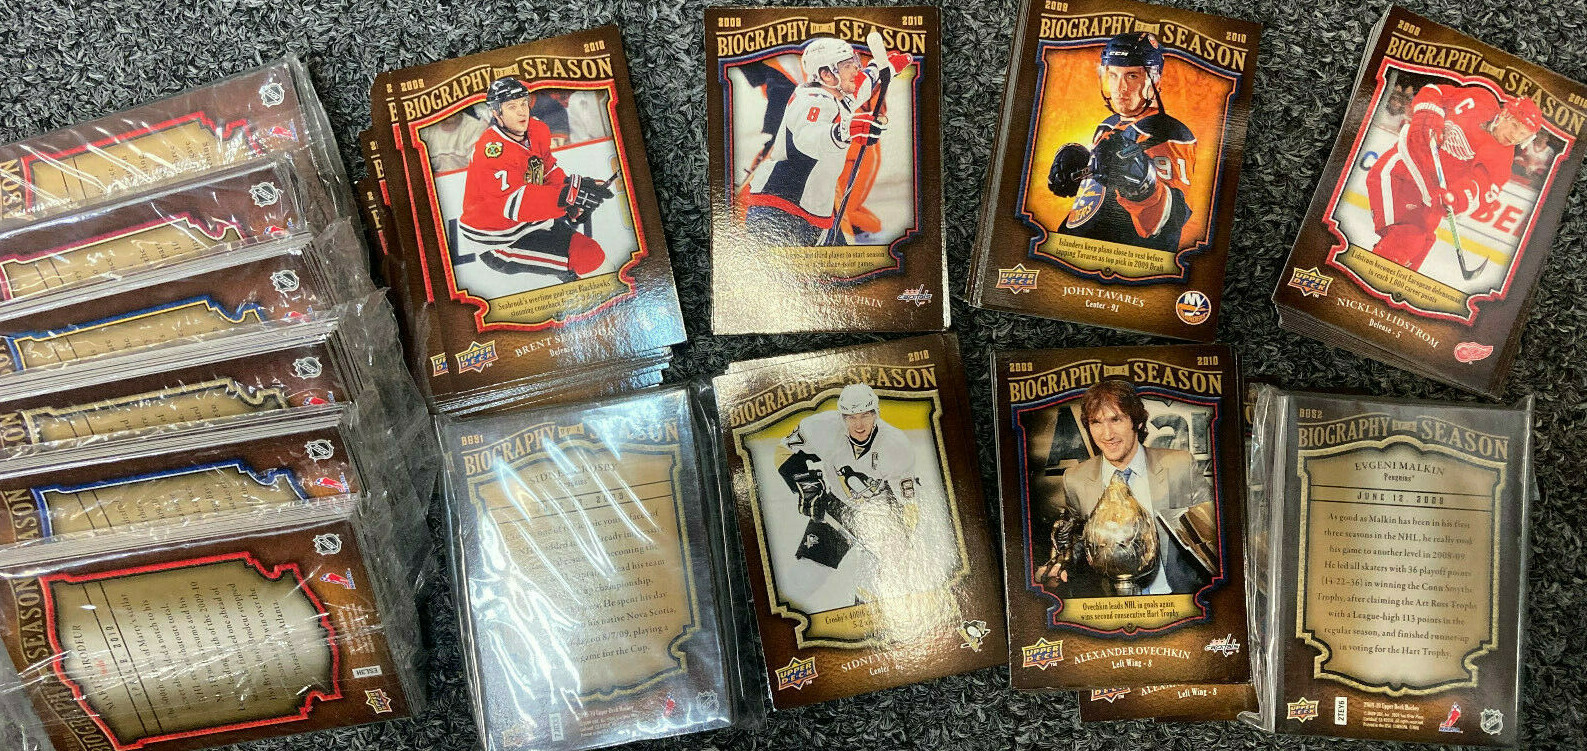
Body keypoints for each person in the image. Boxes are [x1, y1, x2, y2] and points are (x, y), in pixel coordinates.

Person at [1034, 379, 1211, 597]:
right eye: (1096, 422)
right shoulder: (1076, 480)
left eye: (1115, 419)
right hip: (1113, 608)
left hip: (1178, 601)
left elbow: (1213, 536)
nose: (1107, 435)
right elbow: (1080, 544)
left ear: (1137, 421)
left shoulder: (1180, 466)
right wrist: (1060, 566)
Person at [742, 38, 908, 246]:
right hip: (780, 210)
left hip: (811, 213)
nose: (856, 69)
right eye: (848, 66)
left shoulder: (835, 96)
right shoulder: (811, 99)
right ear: (826, 74)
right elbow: (808, 137)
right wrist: (845, 130)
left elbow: (862, 86)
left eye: (856, 63)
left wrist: (883, 68)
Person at [1364, 84, 1542, 271]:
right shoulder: (1480, 99)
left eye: (1523, 134)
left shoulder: (1502, 159)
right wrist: (1429, 114)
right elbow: (1434, 91)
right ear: (1505, 114)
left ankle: (1375, 279)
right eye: (1515, 126)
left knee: (1419, 250)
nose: (1515, 137)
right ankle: (1369, 277)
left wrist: (1457, 199)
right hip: (1402, 172)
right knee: (1409, 239)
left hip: (1430, 200)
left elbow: (1480, 189)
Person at [776, 383, 922, 609]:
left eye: (865, 415)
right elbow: (783, 451)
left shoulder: (896, 445)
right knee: (806, 575)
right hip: (838, 504)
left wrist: (899, 540)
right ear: (841, 417)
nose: (859, 424)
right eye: (851, 417)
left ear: (876, 414)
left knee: (875, 585)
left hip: (882, 513)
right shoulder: (821, 428)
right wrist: (806, 485)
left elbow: (909, 504)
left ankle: (865, 619)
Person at [1046, 32, 1195, 252]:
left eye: (1132, 76)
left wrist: (1143, 187)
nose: (1120, 87)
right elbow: (1103, 193)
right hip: (1075, 249)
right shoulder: (1109, 124)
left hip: (1122, 258)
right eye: (1113, 75)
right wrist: (1080, 173)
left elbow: (1170, 221)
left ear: (1155, 80)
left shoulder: (1167, 132)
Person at [457, 76, 614, 281]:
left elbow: (547, 172)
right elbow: (515, 205)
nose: (522, 111)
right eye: (512, 107)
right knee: (587, 258)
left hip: (533, 223)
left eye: (523, 103)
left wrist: (573, 192)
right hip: (498, 240)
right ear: (496, 113)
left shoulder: (537, 129)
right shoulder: (491, 151)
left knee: (588, 253)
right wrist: (567, 196)